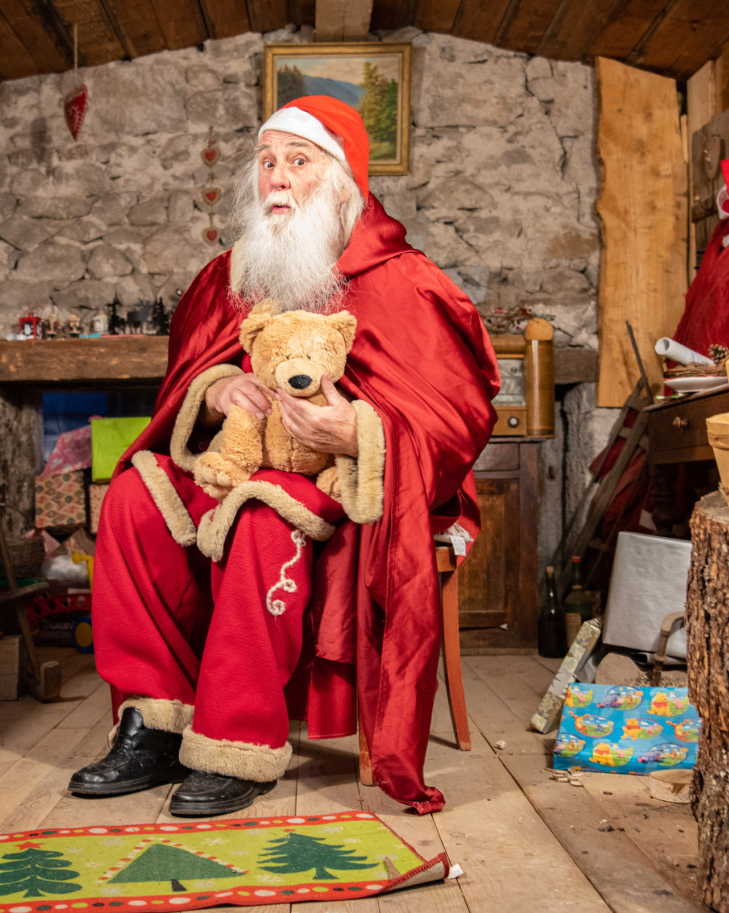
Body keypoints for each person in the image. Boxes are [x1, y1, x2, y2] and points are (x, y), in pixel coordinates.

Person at [68, 96, 501, 817]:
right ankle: (153, 721)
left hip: (355, 481)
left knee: (266, 514)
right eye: (267, 161)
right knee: (133, 497)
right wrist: (215, 393)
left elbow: (458, 416)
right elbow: (183, 380)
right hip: (244, 458)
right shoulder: (229, 277)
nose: (277, 177)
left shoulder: (405, 280)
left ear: (341, 182)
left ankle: (236, 742)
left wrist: (356, 429)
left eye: (298, 161)